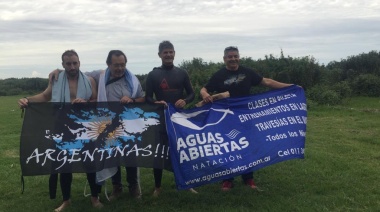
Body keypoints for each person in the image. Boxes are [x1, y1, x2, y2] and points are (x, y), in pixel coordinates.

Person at [50, 50, 145, 200]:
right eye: (116, 65)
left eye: (123, 65)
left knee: (130, 156)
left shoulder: (132, 80)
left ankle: (133, 187)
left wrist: (132, 100)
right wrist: (59, 70)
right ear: (108, 64)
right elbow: (75, 71)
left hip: (127, 124)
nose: (120, 68)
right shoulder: (98, 76)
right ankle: (116, 186)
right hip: (107, 125)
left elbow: (142, 98)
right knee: (112, 155)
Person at [200, 46, 294, 191]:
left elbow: (267, 82)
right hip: (226, 118)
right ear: (224, 59)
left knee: (247, 147)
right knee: (228, 148)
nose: (233, 59)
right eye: (230, 56)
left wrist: (291, 87)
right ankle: (227, 180)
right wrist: (205, 95)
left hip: (246, 116)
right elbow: (204, 89)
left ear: (239, 57)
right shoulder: (219, 75)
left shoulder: (247, 72)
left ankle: (248, 179)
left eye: (235, 56)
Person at [18, 50, 102, 211]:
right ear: (63, 65)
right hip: (61, 126)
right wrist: (27, 100)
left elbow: (96, 100)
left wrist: (85, 102)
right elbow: (44, 96)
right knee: (64, 164)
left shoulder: (89, 80)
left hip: (85, 127)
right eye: (68, 63)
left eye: (75, 63)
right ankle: (66, 200)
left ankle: (94, 197)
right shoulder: (56, 79)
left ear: (79, 63)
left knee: (90, 162)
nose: (72, 66)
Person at [145, 40, 196, 196]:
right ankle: (158, 187)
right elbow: (147, 97)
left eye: (171, 52)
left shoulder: (182, 73)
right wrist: (156, 102)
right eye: (165, 52)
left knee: (183, 151)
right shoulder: (153, 74)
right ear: (159, 55)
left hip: (179, 118)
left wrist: (185, 100)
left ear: (174, 53)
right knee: (159, 153)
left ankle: (186, 182)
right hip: (160, 118)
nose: (168, 55)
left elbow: (191, 94)